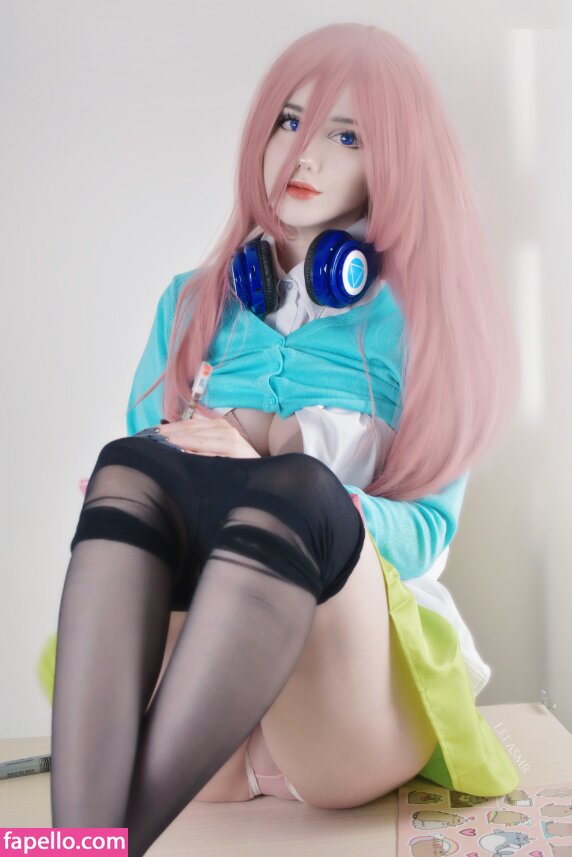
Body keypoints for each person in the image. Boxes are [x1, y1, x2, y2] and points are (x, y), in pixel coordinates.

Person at [49, 22, 521, 856]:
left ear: (394, 161)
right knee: (128, 465)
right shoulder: (191, 303)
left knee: (299, 487)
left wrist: (270, 470)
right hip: (202, 738)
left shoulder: (422, 319)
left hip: (345, 714)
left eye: (347, 137)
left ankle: (88, 843)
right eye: (290, 122)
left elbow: (427, 535)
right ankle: (82, 844)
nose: (306, 155)